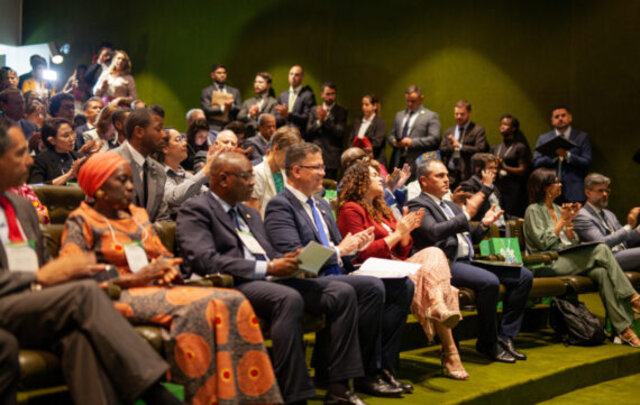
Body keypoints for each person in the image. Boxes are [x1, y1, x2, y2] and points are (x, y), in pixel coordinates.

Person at [59, 152, 281, 404]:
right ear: (98, 186)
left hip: (159, 288)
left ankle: (255, 398)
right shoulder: (81, 220)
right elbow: (72, 271)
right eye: (122, 181)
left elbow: (161, 254)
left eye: (131, 180)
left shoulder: (138, 216)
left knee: (233, 299)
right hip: (117, 294)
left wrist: (167, 268)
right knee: (200, 308)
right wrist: (130, 279)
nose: (131, 186)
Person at [0, 119, 181, 405]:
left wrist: (73, 272)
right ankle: (158, 393)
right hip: (7, 301)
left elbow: (47, 266)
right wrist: (39, 279)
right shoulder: (81, 219)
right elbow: (43, 274)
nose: (28, 162)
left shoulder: (22, 206)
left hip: (37, 303)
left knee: (78, 338)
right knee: (84, 294)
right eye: (20, 154)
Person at [176, 151, 369, 405]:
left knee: (341, 293)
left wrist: (294, 260)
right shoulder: (196, 209)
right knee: (287, 298)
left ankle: (340, 388)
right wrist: (268, 269)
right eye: (246, 177)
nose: (253, 182)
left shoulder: (249, 214)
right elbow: (205, 260)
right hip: (233, 283)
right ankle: (294, 395)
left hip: (269, 278)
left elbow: (270, 254)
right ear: (223, 179)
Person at [264, 142, 413, 397]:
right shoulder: (281, 205)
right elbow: (292, 258)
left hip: (337, 274)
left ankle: (380, 368)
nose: (323, 172)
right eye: (317, 167)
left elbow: (340, 250)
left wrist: (357, 246)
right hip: (304, 279)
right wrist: (341, 251)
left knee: (402, 285)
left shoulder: (321, 205)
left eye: (323, 167)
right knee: (370, 287)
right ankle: (358, 374)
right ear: (296, 171)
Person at [337, 161, 469, 380]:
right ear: (359, 181)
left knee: (434, 253)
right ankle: (449, 350)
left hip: (395, 266)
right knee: (438, 281)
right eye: (373, 175)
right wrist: (398, 233)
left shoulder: (382, 209)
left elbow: (403, 248)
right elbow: (361, 253)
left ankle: (437, 305)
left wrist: (406, 233)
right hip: (370, 270)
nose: (381, 178)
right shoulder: (351, 209)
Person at [408, 159, 533, 363]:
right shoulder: (417, 204)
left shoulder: (450, 206)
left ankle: (505, 337)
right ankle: (487, 343)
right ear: (423, 181)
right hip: (445, 264)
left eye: (447, 175)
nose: (446, 180)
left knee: (524, 276)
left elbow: (470, 237)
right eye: (440, 176)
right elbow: (432, 233)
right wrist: (465, 215)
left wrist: (483, 224)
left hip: (467, 260)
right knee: (489, 282)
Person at [523, 168, 640, 347]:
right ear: (545, 187)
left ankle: (623, 329)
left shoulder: (556, 208)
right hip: (545, 262)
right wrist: (563, 220)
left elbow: (571, 241)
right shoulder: (533, 210)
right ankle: (633, 297)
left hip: (563, 257)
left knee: (601, 272)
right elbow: (542, 243)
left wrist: (569, 223)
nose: (560, 184)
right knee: (601, 248)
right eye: (555, 182)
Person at [113, 108, 170, 222]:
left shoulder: (159, 171)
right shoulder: (110, 162)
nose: (164, 135)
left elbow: (163, 219)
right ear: (139, 132)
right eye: (158, 129)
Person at [573, 173, 640, 270]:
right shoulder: (581, 216)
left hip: (622, 254)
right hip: (605, 258)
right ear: (588, 193)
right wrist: (629, 226)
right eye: (600, 191)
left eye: (606, 191)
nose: (605, 194)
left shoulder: (609, 214)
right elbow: (601, 244)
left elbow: (625, 241)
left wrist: (638, 230)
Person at [532, 106, 591, 203]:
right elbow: (536, 162)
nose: (560, 118)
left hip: (574, 190)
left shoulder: (582, 137)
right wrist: (552, 156)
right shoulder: (543, 138)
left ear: (570, 118)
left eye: (563, 115)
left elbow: (587, 162)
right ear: (552, 121)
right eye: (556, 117)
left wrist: (568, 156)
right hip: (549, 189)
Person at [246, 126, 301, 217]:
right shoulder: (256, 173)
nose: (291, 161)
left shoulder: (284, 172)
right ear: (276, 149)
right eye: (289, 155)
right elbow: (253, 217)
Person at [161, 128, 211, 219]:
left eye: (183, 138)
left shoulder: (185, 174)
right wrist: (205, 171)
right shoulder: (159, 174)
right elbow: (174, 197)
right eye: (178, 140)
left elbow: (209, 195)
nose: (185, 143)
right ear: (165, 148)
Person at [388, 85, 440, 173]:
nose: (409, 104)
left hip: (417, 162)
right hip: (398, 161)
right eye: (407, 101)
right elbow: (391, 134)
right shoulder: (399, 115)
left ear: (421, 98)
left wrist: (411, 142)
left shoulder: (430, 116)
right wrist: (393, 141)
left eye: (413, 101)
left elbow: (434, 139)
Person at [439, 100, 487, 188]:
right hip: (450, 173)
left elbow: (480, 149)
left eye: (462, 114)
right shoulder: (449, 131)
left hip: (467, 174)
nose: (458, 117)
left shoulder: (477, 130)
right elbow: (442, 149)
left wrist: (460, 146)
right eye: (456, 114)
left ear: (469, 113)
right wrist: (452, 147)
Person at [490, 114, 530, 218]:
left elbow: (523, 170)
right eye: (501, 124)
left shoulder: (520, 147)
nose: (502, 127)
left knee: (511, 217)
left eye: (506, 124)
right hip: (498, 187)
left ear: (514, 128)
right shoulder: (495, 148)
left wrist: (504, 167)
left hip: (514, 189)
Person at [305, 83, 347, 180]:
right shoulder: (314, 110)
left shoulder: (341, 111)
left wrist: (326, 119)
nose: (330, 97)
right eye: (328, 94)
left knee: (330, 189)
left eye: (332, 94)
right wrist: (319, 121)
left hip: (332, 158)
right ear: (322, 95)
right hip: (316, 154)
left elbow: (339, 133)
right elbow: (308, 131)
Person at [29, 118, 87, 184]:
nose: (72, 138)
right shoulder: (41, 160)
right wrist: (69, 175)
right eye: (66, 136)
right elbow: (36, 187)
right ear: (52, 140)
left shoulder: (79, 157)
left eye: (72, 133)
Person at [459, 153, 506, 227]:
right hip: (483, 230)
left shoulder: (494, 187)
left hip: (501, 229)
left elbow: (499, 210)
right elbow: (473, 213)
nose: (495, 171)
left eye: (495, 168)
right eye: (491, 168)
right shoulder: (467, 186)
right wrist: (486, 187)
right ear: (478, 169)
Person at [275, 65, 315, 137]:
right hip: (283, 135)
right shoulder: (282, 95)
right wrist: (282, 117)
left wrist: (288, 115)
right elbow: (276, 118)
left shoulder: (308, 95)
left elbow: (307, 118)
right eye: (291, 74)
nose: (293, 77)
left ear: (302, 77)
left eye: (296, 75)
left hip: (300, 135)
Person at [200, 63, 242, 131]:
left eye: (224, 73)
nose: (222, 75)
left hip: (231, 127)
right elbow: (207, 109)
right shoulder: (206, 91)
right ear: (212, 75)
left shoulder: (235, 91)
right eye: (219, 73)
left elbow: (240, 108)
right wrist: (223, 108)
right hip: (214, 127)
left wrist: (231, 106)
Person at [349, 94, 387, 165]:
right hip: (357, 160)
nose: (363, 107)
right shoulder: (357, 121)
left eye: (366, 105)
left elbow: (377, 143)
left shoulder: (380, 123)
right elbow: (351, 139)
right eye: (362, 105)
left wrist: (362, 150)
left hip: (374, 160)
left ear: (374, 106)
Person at [238, 72, 278, 138]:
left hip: (266, 137)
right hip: (249, 136)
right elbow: (240, 117)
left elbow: (273, 120)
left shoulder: (274, 102)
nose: (257, 84)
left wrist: (259, 115)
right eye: (255, 82)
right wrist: (250, 115)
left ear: (268, 85)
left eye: (260, 82)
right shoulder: (248, 101)